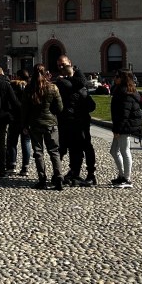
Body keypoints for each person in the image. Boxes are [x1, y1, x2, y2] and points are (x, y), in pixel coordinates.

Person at [54, 55, 97, 186]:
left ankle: (90, 173)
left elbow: (81, 83)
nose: (61, 67)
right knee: (73, 147)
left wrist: (66, 79)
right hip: (70, 119)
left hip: (79, 120)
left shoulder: (74, 78)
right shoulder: (67, 81)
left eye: (64, 64)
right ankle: (74, 171)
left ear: (70, 64)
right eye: (59, 65)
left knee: (84, 146)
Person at [21, 64, 63, 189]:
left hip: (35, 124)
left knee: (38, 153)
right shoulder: (53, 88)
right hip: (51, 124)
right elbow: (60, 108)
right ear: (46, 73)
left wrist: (23, 124)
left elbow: (24, 109)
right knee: (54, 151)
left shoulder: (29, 88)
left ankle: (42, 179)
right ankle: (59, 177)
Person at [109, 69, 142, 188]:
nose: (115, 78)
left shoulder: (125, 93)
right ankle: (122, 175)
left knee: (125, 151)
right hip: (121, 125)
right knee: (114, 151)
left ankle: (127, 179)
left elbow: (124, 114)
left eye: (117, 76)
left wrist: (118, 129)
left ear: (122, 78)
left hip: (124, 126)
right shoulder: (120, 91)